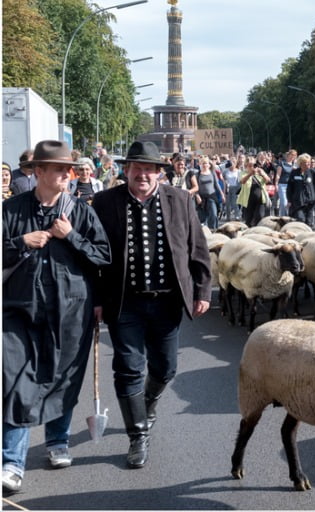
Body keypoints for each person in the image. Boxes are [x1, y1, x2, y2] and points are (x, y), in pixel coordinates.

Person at [91, 141, 212, 469]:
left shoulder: (181, 200)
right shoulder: (104, 202)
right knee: (128, 368)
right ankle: (138, 434)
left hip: (167, 301)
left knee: (166, 367)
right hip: (124, 303)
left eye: (149, 168)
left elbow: (197, 247)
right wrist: (97, 299)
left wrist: (203, 290)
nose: (142, 174)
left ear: (159, 172)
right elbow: (94, 258)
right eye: (136, 167)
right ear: (125, 170)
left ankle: (147, 402)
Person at [2, 141, 111, 494]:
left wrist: (72, 237)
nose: (68, 174)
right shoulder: (12, 210)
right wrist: (20, 241)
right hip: (19, 308)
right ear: (38, 172)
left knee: (63, 379)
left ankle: (57, 442)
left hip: (70, 310)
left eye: (70, 169)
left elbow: (102, 257)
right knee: (16, 381)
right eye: (60, 169)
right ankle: (12, 461)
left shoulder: (80, 211)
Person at [287, 154, 315, 228]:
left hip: (310, 201)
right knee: (300, 219)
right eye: (306, 162)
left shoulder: (312, 172)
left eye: (309, 162)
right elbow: (289, 187)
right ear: (301, 163)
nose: (308, 164)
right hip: (298, 201)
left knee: (309, 221)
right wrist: (289, 200)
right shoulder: (294, 173)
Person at [237, 157, 271, 226]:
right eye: (250, 165)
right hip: (248, 200)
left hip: (260, 199)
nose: (252, 167)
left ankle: (257, 231)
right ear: (246, 165)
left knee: (260, 216)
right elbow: (242, 181)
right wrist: (250, 174)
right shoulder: (243, 173)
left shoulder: (260, 171)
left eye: (254, 165)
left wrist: (262, 174)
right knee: (248, 219)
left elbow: (268, 180)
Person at [188, 156, 220, 230]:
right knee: (202, 217)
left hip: (211, 196)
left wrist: (222, 194)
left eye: (206, 163)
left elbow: (216, 184)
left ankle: (213, 230)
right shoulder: (197, 174)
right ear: (200, 164)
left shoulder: (212, 173)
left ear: (209, 165)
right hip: (201, 198)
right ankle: (203, 232)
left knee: (214, 214)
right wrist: (197, 195)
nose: (204, 165)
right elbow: (194, 186)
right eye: (203, 163)